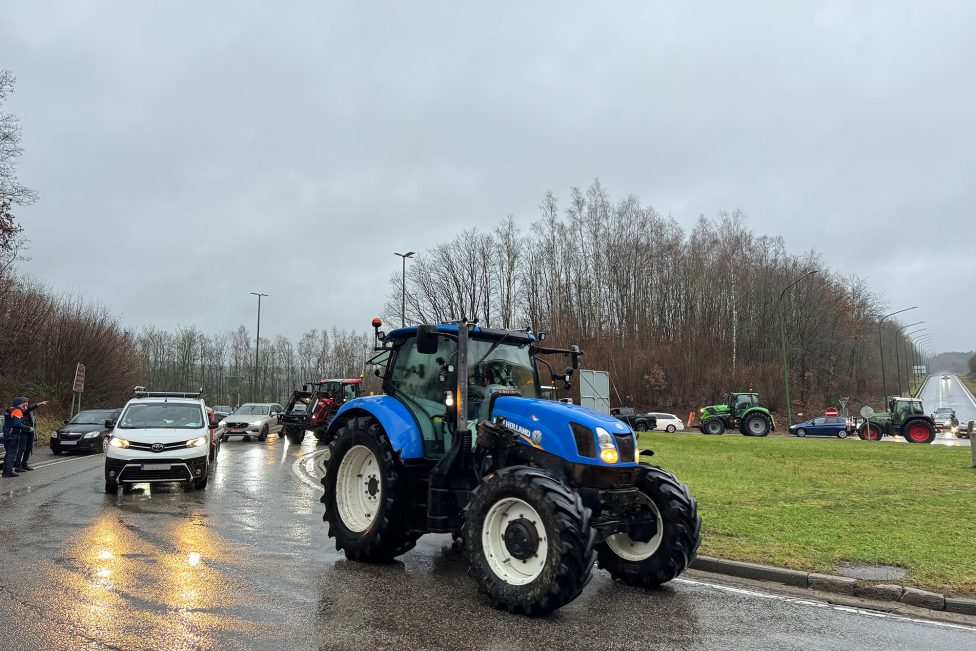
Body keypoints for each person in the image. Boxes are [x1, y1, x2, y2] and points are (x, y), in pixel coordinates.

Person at [3, 396, 34, 477]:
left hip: (7, 434)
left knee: (8, 453)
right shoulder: (17, 411)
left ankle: (5, 471)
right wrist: (28, 428)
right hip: (13, 435)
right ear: (20, 404)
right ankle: (8, 472)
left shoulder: (9, 410)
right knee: (12, 453)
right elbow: (17, 424)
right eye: (24, 404)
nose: (25, 406)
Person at [15, 397, 48, 471]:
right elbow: (29, 408)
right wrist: (39, 404)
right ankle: (18, 466)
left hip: (30, 431)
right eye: (25, 402)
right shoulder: (20, 410)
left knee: (29, 448)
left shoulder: (27, 409)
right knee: (21, 449)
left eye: (27, 401)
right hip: (23, 431)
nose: (26, 403)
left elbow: (30, 410)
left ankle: (24, 464)